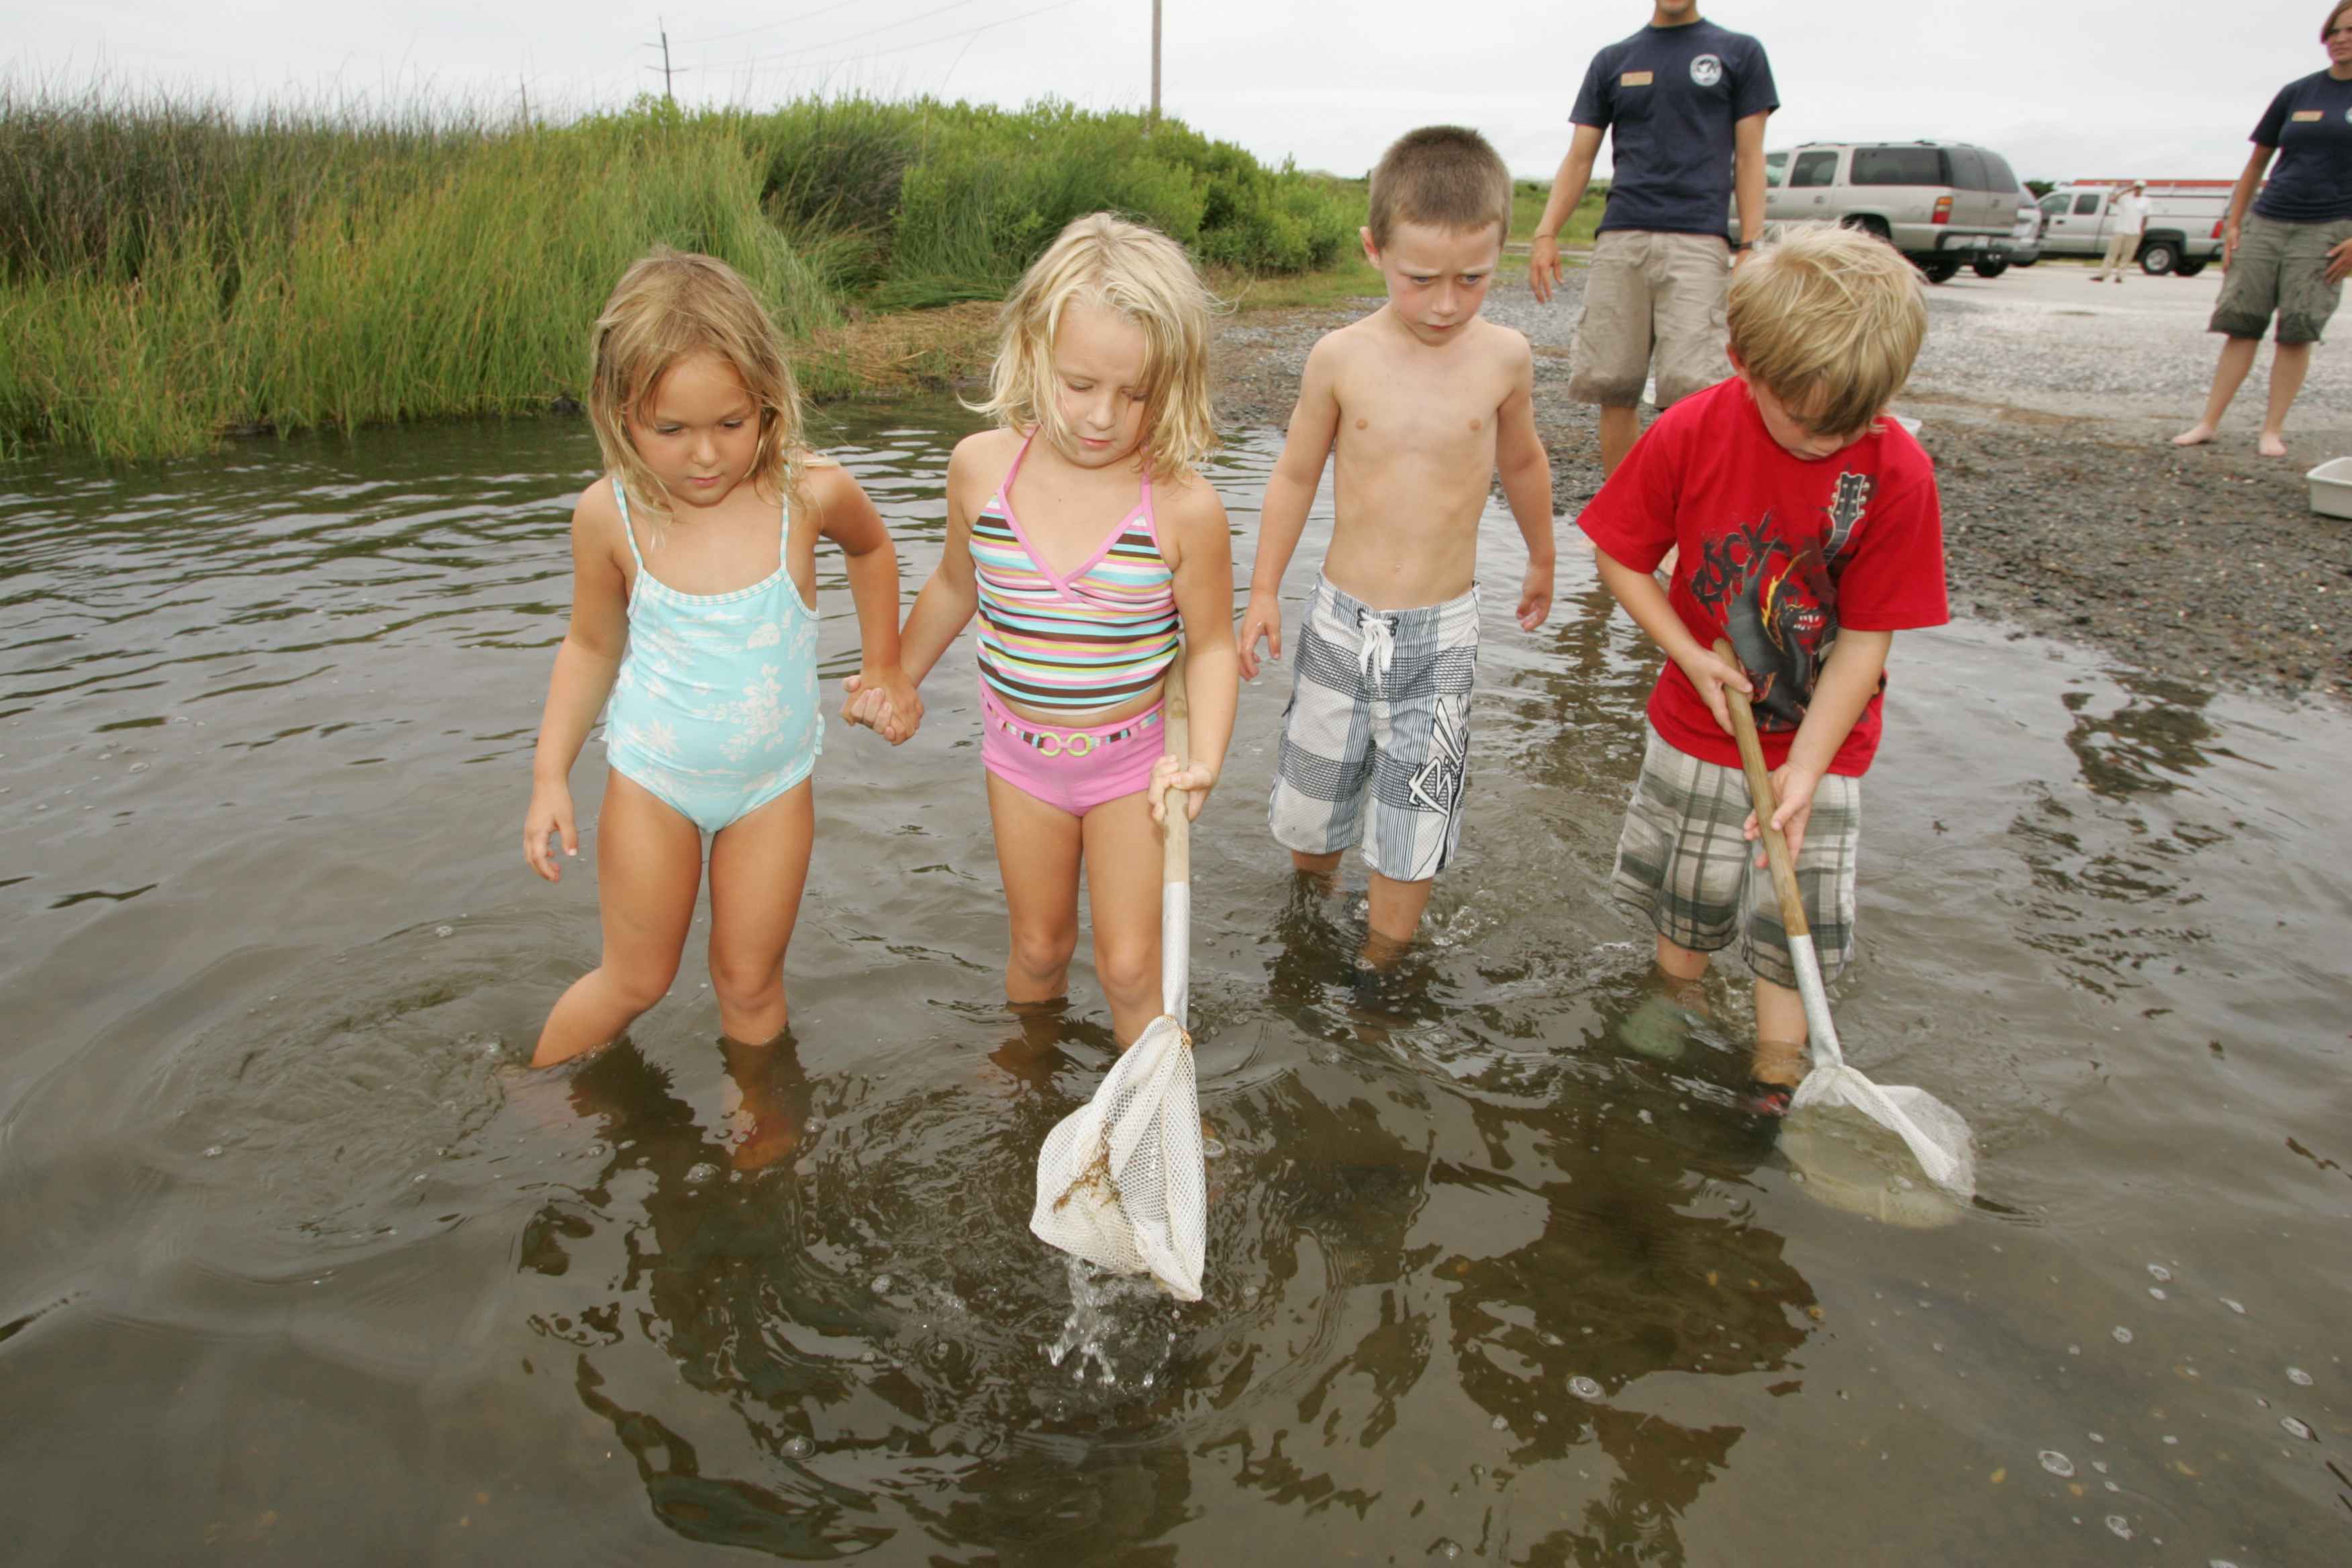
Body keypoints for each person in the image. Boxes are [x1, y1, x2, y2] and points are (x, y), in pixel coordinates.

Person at [1578, 224, 1945, 1115]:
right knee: (1689, 898)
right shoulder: (1691, 432)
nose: (1830, 444)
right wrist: (1689, 652)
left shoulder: (1897, 471)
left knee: (1797, 920)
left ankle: (1778, 1065)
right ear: (1745, 363)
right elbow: (1622, 559)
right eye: (1809, 423)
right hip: (1702, 725)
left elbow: (1866, 640)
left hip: (1827, 740)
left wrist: (1807, 768)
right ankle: (1677, 998)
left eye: (1852, 423)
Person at [522, 249, 920, 1068]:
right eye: (671, 430)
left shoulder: (806, 493)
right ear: (618, 411)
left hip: (771, 789)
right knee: (635, 977)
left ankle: (760, 1149)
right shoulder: (609, 516)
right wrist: (549, 773)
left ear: (768, 404)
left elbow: (874, 548)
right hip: (653, 780)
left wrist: (885, 665)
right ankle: (534, 1095)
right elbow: (591, 644)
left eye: (730, 425)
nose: (704, 455)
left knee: (750, 980)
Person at [869, 214, 1238, 1046]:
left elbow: (1212, 645)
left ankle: (1148, 1112)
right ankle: (1025, 1081)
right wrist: (897, 674)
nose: (1102, 416)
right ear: (1034, 350)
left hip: (1131, 770)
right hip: (1020, 760)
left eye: (1134, 393)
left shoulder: (1183, 508)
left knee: (1132, 968)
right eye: (1079, 384)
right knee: (1039, 947)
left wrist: (1203, 759)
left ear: (1171, 383)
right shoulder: (980, 470)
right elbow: (955, 585)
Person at [1238, 126, 1557, 960]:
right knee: (1316, 804)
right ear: (1374, 249)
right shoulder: (1341, 357)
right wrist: (1265, 588)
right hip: (1342, 623)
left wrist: (1543, 554)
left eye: (1472, 279)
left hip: (1441, 636)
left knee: (1416, 810)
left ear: (1500, 253)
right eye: (1420, 280)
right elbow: (1294, 476)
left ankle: (1382, 970)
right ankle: (1309, 923)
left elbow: (1522, 461)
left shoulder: (1506, 358)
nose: (1446, 303)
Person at [1527, 1, 1778, 477]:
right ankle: (1627, 519)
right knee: (1613, 384)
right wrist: (1545, 233)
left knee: (1692, 389)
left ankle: (1683, 523)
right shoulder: (1613, 60)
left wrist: (1750, 245)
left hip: (1699, 241)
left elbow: (1749, 158)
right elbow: (1580, 157)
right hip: (1621, 238)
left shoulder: (1739, 53)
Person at [2173, 2, 2352, 456]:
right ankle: (2208, 422)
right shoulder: (2298, 92)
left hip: (2327, 230)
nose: (2341, 38)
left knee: (2296, 330)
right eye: (2334, 30)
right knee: (2242, 324)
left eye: (2350, 31)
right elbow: (2257, 163)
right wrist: (2234, 225)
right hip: (2268, 220)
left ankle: (2271, 430)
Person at [2090, 181, 2148, 283]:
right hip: (2120, 229)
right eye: (2137, 187)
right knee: (2112, 253)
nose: (2138, 189)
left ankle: (2121, 276)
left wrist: (2142, 230)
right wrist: (2125, 191)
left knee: (2127, 255)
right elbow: (2112, 200)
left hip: (2134, 231)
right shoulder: (2125, 198)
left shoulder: (2146, 201)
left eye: (2140, 188)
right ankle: (2103, 274)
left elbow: (2145, 217)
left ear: (2143, 189)